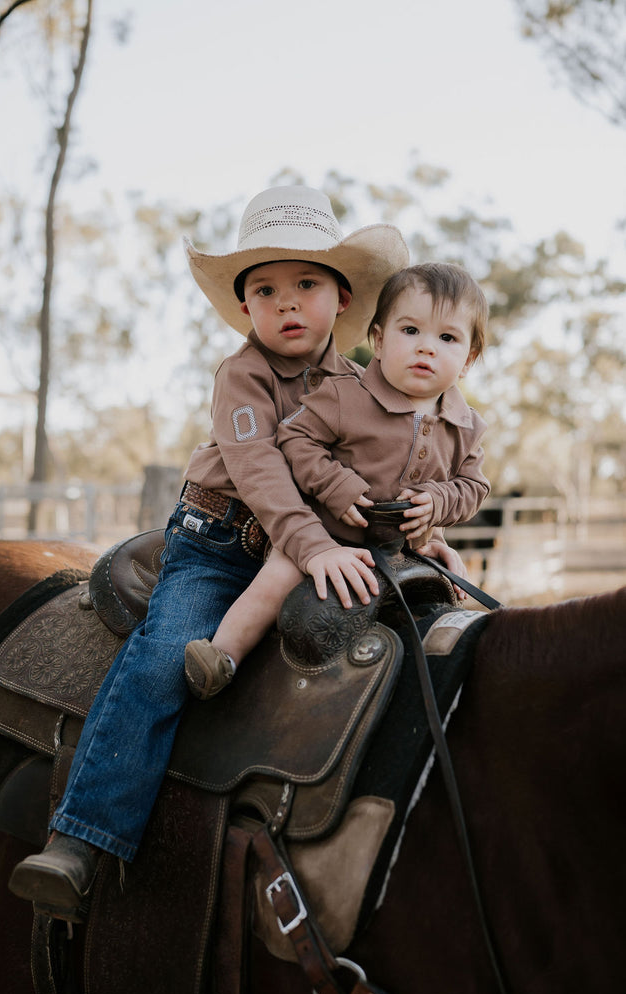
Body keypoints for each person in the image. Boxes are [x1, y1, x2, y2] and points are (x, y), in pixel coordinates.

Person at [7, 184, 411, 920]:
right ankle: (83, 836)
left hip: (301, 550)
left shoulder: (361, 387)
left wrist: (418, 518)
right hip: (219, 545)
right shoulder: (242, 374)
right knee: (165, 654)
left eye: (305, 285)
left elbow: (387, 463)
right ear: (246, 308)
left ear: (343, 299)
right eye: (265, 290)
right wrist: (316, 543)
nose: (286, 303)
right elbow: (259, 473)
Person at [185, 263, 489, 698]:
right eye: (410, 332)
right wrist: (336, 487)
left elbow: (471, 485)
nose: (426, 349)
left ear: (468, 358)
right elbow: (294, 441)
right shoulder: (349, 395)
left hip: (384, 543)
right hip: (316, 528)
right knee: (282, 573)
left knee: (440, 596)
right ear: (379, 341)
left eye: (447, 338)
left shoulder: (468, 426)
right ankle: (222, 654)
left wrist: (433, 518)